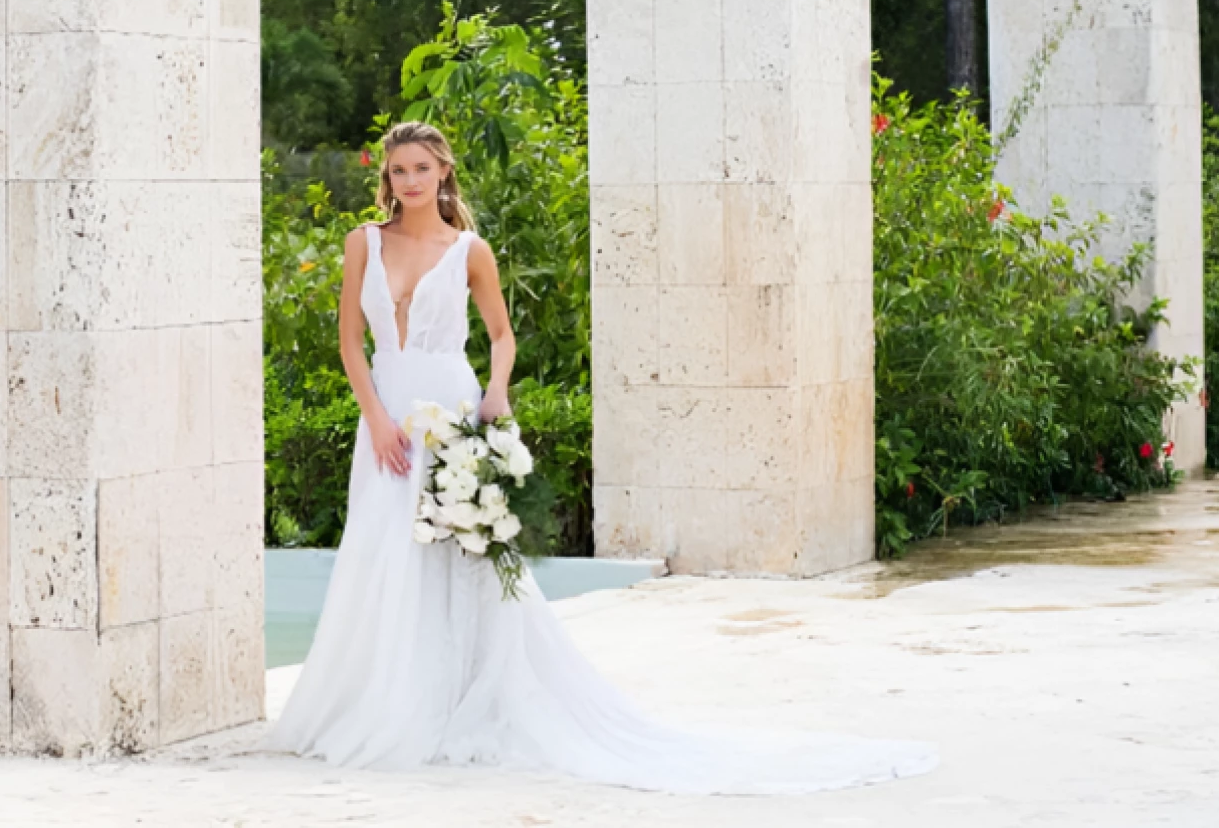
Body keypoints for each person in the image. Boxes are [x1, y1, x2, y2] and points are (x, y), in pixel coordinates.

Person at [263, 120, 939, 794]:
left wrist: (496, 393)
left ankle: (453, 702)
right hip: (388, 419)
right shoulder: (363, 242)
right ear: (388, 177)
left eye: (420, 168)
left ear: (443, 173)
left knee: (460, 558)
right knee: (382, 554)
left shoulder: (470, 249)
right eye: (398, 169)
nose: (408, 180)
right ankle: (384, 702)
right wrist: (376, 417)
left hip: (451, 412)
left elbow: (501, 334)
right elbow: (351, 341)